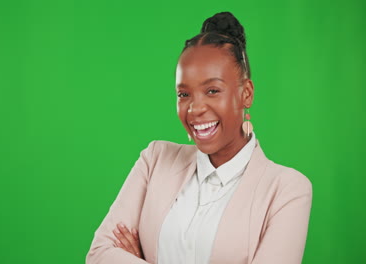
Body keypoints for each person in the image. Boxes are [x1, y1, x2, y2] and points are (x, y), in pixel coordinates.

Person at [86, 11, 312, 264]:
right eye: (184, 95)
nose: (194, 109)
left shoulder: (286, 189)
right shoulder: (155, 160)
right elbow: (99, 255)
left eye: (212, 90)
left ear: (246, 94)